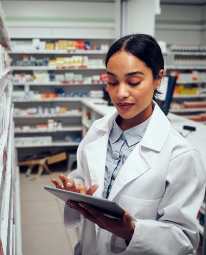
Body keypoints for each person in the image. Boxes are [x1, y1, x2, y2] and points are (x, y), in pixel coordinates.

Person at [51, 34, 206, 255]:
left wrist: (133, 232)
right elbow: (84, 176)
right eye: (112, 82)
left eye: (133, 82)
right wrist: (75, 190)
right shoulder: (97, 130)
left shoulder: (181, 156)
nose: (120, 93)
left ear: (158, 78)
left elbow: (185, 240)